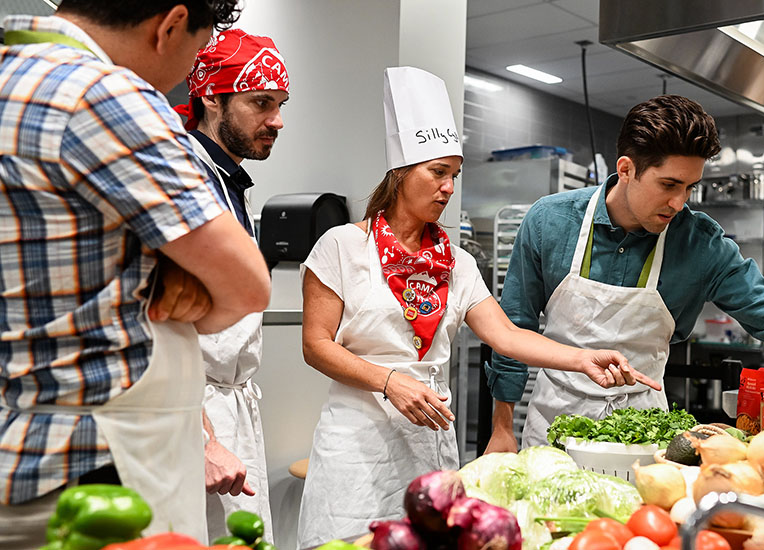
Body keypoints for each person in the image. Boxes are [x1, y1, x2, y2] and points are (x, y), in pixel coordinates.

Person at [295, 67, 659, 547]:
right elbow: (316, 346)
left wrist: (581, 358)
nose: (449, 187)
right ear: (402, 173)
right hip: (355, 442)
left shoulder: (457, 263)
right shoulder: (341, 247)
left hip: (429, 437)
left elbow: (506, 335)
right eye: (438, 173)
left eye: (454, 175)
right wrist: (389, 381)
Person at [487, 94, 764, 451]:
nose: (679, 203)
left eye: (690, 187)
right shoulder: (551, 222)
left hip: (644, 435)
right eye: (669, 185)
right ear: (626, 169)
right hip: (552, 429)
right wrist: (502, 429)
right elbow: (513, 327)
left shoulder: (699, 243)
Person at [0, 1, 273, 548]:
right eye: (193, 51)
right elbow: (248, 285)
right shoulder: (98, 93)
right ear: (169, 25)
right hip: (99, 455)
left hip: (29, 445)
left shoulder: (12, 72)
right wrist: (190, 291)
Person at [174, 28, 289, 544]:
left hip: (232, 405)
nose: (277, 120)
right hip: (193, 412)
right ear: (211, 99)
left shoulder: (227, 182)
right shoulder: (183, 178)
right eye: (261, 103)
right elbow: (158, 326)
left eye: (281, 104)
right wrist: (199, 438)